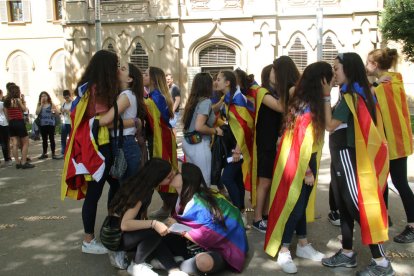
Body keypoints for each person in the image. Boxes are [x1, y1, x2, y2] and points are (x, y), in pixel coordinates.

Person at [322, 52, 394, 276]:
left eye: (336, 69)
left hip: (346, 155)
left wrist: (325, 96)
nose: (334, 73)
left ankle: (381, 262)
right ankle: (347, 252)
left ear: (349, 70)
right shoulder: (349, 94)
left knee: (357, 205)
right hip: (341, 155)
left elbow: (329, 125)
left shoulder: (352, 95)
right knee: (344, 206)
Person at [264, 62, 331, 274]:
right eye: (330, 77)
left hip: (303, 157)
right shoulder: (307, 101)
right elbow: (302, 137)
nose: (333, 80)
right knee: (294, 204)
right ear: (322, 80)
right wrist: (308, 170)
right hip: (300, 160)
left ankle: (302, 244)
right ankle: (284, 249)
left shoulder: (307, 97)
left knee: (300, 203)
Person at [61, 49, 120, 255]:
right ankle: (88, 239)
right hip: (99, 147)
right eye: (116, 66)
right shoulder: (99, 89)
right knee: (94, 194)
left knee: (117, 185)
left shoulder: (88, 86)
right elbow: (106, 120)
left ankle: (110, 227)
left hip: (94, 146)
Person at [108, 158, 188, 276]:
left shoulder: (144, 185)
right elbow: (125, 225)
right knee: (154, 230)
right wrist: (153, 223)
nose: (172, 178)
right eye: (169, 176)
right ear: (157, 177)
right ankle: (136, 265)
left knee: (170, 236)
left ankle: (172, 269)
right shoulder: (140, 192)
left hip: (124, 232)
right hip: (116, 236)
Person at [366, 47, 414, 244]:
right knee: (384, 180)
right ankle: (383, 217)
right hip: (396, 141)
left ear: (375, 65)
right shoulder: (394, 80)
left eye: (367, 62)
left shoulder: (383, 86)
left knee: (399, 182)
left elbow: (365, 101)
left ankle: (412, 225)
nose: (365, 65)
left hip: (394, 143)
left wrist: (375, 85)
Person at [247, 57, 300, 233]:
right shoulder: (262, 92)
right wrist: (293, 89)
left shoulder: (278, 93)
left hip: (274, 143)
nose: (273, 73)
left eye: (276, 70)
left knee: (270, 182)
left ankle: (265, 214)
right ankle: (257, 219)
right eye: (272, 70)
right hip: (265, 144)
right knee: (264, 182)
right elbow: (279, 107)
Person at [166, 162, 248, 275]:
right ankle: (176, 262)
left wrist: (177, 227)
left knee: (204, 262)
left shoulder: (199, 203)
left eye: (177, 173)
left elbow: (208, 236)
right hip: (196, 244)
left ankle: (173, 264)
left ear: (187, 178)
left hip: (223, 248)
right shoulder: (181, 198)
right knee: (158, 235)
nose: (172, 175)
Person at [100, 63, 146, 181]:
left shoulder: (126, 95)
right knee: (122, 189)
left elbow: (105, 121)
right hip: (123, 143)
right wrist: (134, 121)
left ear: (129, 79)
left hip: (125, 144)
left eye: (123, 69)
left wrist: (86, 121)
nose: (118, 69)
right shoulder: (125, 95)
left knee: (127, 190)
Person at [143, 67, 178, 219]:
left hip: (160, 140)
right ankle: (167, 207)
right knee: (163, 173)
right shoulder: (155, 95)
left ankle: (174, 209)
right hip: (160, 138)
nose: (142, 76)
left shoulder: (155, 97)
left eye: (145, 74)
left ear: (153, 79)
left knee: (161, 174)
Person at [181, 72, 223, 187]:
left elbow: (205, 112)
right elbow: (199, 126)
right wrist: (215, 131)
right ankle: (204, 204)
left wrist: (220, 102)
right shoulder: (206, 102)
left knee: (193, 180)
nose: (215, 83)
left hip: (188, 142)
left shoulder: (194, 100)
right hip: (199, 144)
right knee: (205, 181)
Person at [215, 71, 249, 212]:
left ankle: (238, 211)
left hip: (238, 145)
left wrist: (237, 150)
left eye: (218, 79)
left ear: (227, 83)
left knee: (227, 178)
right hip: (232, 143)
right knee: (236, 178)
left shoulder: (237, 98)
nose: (215, 82)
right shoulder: (227, 97)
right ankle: (241, 209)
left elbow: (243, 126)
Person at [3, 85, 34, 169]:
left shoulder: (6, 101)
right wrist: (22, 102)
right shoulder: (17, 100)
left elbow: (6, 115)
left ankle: (17, 162)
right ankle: (23, 162)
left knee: (14, 143)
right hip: (19, 122)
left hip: (11, 123)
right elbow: (24, 110)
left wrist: (10, 121)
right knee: (25, 142)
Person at [36, 91, 59, 159]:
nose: (44, 97)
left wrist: (54, 111)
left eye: (45, 96)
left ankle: (53, 153)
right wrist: (42, 105)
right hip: (42, 124)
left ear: (48, 97)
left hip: (51, 124)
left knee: (51, 139)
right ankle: (44, 153)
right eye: (42, 96)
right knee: (44, 139)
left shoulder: (51, 104)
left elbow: (57, 113)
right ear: (40, 98)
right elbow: (37, 113)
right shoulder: (39, 104)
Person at [0, 89, 12, 166]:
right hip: (3, 123)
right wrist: (9, 122)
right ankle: (7, 159)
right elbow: (6, 114)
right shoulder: (2, 104)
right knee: (4, 141)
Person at [60, 90, 72, 156]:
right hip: (64, 123)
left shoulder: (73, 103)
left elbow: (73, 113)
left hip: (70, 123)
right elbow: (62, 112)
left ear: (70, 96)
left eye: (67, 97)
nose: (66, 99)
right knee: (63, 138)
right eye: (65, 98)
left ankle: (71, 152)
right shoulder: (64, 103)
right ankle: (63, 152)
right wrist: (61, 110)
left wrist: (66, 111)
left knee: (71, 138)